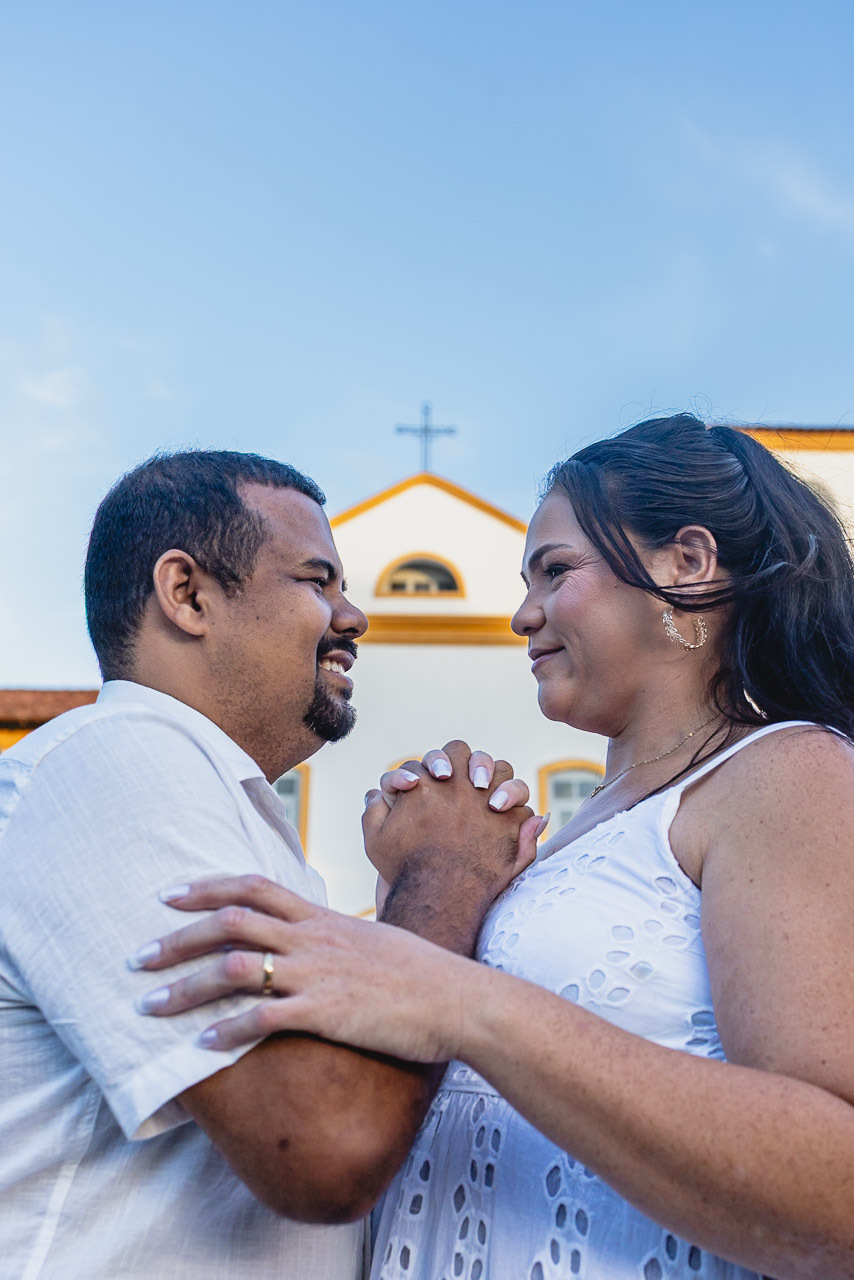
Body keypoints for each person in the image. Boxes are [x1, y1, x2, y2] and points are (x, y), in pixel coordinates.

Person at [137, 415, 854, 1279]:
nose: (522, 614)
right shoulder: (569, 837)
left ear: (688, 564)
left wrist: (464, 1001)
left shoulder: (789, 772)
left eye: (555, 571)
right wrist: (422, 885)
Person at [0, 449, 541, 1279]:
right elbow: (324, 1145)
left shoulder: (222, 808)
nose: (353, 616)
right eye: (317, 581)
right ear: (187, 594)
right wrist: (447, 875)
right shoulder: (115, 762)